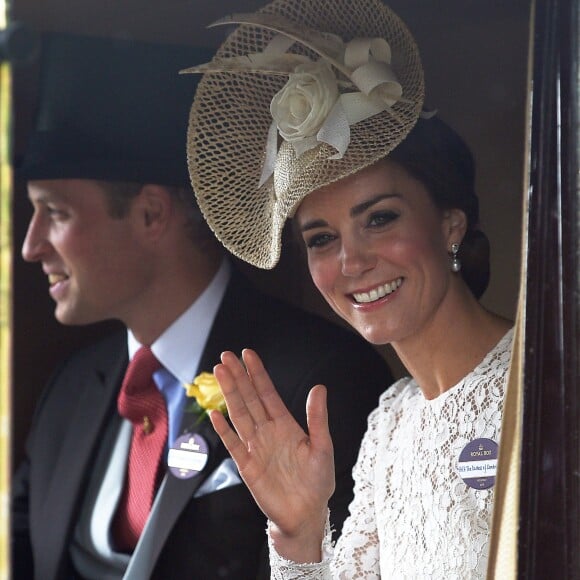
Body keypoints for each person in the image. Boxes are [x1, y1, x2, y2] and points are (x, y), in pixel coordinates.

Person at [10, 32, 392, 580]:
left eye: (56, 213)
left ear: (150, 215)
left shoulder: (319, 380)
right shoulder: (72, 388)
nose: (31, 245)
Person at [183, 0, 514, 577]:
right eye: (320, 239)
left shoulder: (543, 377)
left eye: (380, 219)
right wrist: (300, 529)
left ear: (449, 225)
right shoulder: (392, 419)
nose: (352, 261)